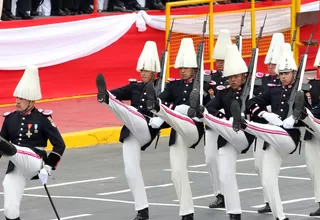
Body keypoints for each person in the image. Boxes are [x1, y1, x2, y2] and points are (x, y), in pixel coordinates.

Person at [230, 43, 305, 220]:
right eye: (281, 74)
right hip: (272, 139)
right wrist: (264, 113)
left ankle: (245, 124)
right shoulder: (274, 91)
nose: (283, 77)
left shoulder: (302, 91)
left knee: (263, 129)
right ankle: (280, 217)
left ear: (294, 74)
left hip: (289, 138)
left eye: (286, 73)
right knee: (267, 180)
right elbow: (251, 103)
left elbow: (309, 111)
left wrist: (295, 118)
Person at [96, 41, 167, 220]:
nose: (142, 73)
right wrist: (108, 95)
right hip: (131, 131)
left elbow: (171, 112)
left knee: (131, 112)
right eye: (141, 70)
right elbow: (115, 92)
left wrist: (162, 122)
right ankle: (142, 210)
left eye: (146, 70)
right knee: (130, 170)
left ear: (154, 72)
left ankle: (108, 101)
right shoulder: (134, 87)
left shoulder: (163, 88)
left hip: (147, 128)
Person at [188, 44, 255, 220]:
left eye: (236, 76)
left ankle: (209, 115)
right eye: (230, 77)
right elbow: (212, 106)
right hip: (227, 136)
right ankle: (234, 213)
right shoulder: (224, 93)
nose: (232, 80)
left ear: (243, 76)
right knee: (225, 175)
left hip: (245, 135)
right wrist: (222, 117)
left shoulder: (251, 91)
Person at [144, 38, 205, 220]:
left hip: (193, 128)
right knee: (176, 173)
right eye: (180, 68)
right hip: (177, 130)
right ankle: (187, 213)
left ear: (193, 67)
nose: (183, 71)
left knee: (179, 111)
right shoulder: (174, 86)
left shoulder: (203, 84)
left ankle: (165, 111)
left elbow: (211, 108)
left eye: (186, 67)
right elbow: (162, 97)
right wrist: (159, 112)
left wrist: (195, 109)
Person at [0, 64, 66, 220]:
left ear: (31, 101)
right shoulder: (10, 119)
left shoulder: (43, 119)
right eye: (17, 97)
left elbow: (60, 144)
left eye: (21, 98)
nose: (17, 101)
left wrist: (48, 166)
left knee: (17, 150)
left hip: (35, 161)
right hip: (16, 165)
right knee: (10, 208)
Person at [252, 32, 284, 214]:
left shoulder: (284, 83)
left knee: (270, 169)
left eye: (274, 64)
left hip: (277, 130)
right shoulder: (261, 81)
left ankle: (273, 200)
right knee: (258, 165)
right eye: (269, 64)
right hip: (261, 127)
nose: (271, 67)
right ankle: (267, 201)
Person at [205, 29, 231, 210]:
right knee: (210, 159)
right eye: (218, 60)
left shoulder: (236, 76)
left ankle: (228, 192)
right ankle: (219, 194)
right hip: (213, 122)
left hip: (229, 123)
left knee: (226, 160)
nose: (220, 64)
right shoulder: (209, 77)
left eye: (223, 60)